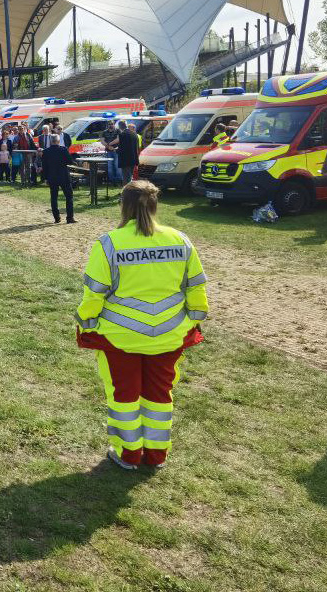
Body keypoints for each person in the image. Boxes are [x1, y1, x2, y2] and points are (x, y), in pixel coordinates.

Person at [76, 180, 208, 470]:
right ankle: (156, 455)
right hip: (169, 336)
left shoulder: (110, 243)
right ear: (155, 204)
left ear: (123, 205)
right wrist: (196, 317)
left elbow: (95, 292)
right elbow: (196, 287)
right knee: (160, 396)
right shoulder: (180, 240)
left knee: (123, 396)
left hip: (120, 337)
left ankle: (129, 454)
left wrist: (86, 323)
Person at [41, 134, 75, 224]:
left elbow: (44, 167)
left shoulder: (46, 151)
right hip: (64, 176)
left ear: (51, 141)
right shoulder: (63, 149)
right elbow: (70, 161)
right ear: (58, 141)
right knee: (69, 197)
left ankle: (56, 218)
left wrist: (45, 178)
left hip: (52, 177)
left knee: (54, 198)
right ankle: (69, 218)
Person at [117, 121, 140, 186]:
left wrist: (115, 150)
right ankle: (130, 191)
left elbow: (121, 148)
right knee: (130, 176)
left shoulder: (122, 135)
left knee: (126, 178)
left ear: (120, 127)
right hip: (133, 158)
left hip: (125, 159)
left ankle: (127, 192)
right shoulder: (134, 134)